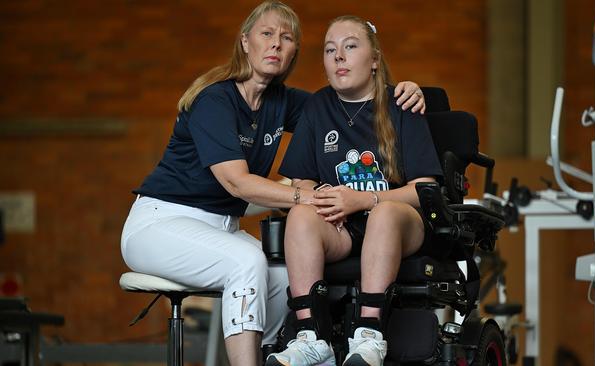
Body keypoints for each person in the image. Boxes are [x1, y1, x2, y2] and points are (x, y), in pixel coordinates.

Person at [120, 2, 426, 365]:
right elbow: (238, 184)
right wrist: (308, 197)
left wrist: (406, 90)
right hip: (161, 223)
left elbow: (350, 104)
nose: (276, 44)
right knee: (248, 260)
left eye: (287, 38)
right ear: (245, 42)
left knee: (280, 273)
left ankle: (285, 353)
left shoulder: (287, 102)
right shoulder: (214, 99)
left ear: (295, 51)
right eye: (267, 34)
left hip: (221, 227)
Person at [266, 16, 442, 366]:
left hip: (400, 223)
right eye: (330, 50)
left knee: (384, 214)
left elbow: (426, 187)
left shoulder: (403, 103)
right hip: (342, 226)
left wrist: (367, 199)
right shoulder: (317, 107)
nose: (339, 57)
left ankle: (369, 335)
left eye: (350, 46)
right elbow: (300, 181)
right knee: (301, 213)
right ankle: (312, 339)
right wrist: (325, 198)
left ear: (374, 58)